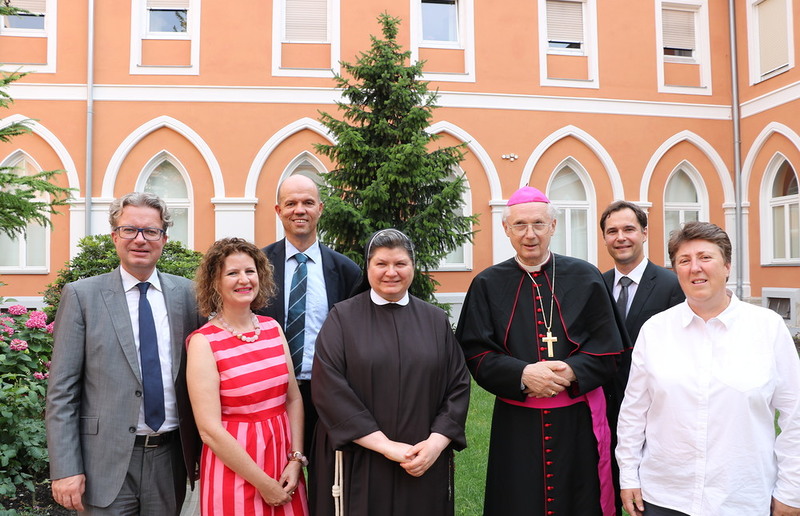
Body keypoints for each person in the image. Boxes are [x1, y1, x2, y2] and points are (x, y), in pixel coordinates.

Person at [456, 186, 625, 516]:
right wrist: (522, 374)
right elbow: (474, 353)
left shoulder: (585, 277)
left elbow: (610, 349)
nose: (529, 234)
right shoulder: (487, 284)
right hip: (517, 423)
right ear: (506, 229)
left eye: (538, 224)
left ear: (553, 227)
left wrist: (572, 371)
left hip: (576, 422)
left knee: (580, 500)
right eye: (519, 225)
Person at [616, 221, 800, 516]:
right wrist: (628, 475)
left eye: (705, 257)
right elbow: (634, 412)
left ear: (727, 265)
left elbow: (795, 416)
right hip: (666, 497)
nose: (695, 268)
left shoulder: (768, 328)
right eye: (684, 261)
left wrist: (792, 491)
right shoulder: (656, 330)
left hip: (741, 498)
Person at [46, 192, 204, 514]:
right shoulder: (82, 296)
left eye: (151, 231)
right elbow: (62, 391)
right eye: (130, 229)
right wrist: (65, 468)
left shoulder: (189, 295)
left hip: (170, 458)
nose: (140, 239)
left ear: (164, 238)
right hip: (103, 461)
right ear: (114, 236)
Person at [309, 228, 470, 515]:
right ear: (367, 267)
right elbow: (328, 388)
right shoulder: (342, 318)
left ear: (413, 267)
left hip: (422, 458)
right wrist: (385, 446)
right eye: (381, 264)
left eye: (400, 264)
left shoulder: (434, 320)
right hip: (360, 457)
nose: (391, 272)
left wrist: (435, 444)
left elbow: (457, 386)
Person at [187, 237, 309, 515]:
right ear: (215, 282)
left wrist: (296, 459)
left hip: (283, 464)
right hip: (235, 469)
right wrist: (263, 483)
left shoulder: (272, 328)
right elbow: (209, 431)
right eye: (232, 273)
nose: (244, 280)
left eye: (249, 271)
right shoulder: (204, 342)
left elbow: (293, 399)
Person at [257, 174, 361, 461]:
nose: (299, 210)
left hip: (326, 391)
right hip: (271, 391)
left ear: (320, 209)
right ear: (278, 211)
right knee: (274, 470)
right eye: (290, 203)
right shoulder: (257, 267)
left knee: (326, 476)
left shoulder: (346, 270)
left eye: (307, 202)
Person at [600, 200, 684, 514]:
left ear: (645, 233)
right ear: (605, 238)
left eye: (628, 229)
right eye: (612, 231)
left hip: (655, 415)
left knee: (648, 500)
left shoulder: (672, 285)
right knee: (607, 492)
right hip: (604, 411)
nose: (620, 237)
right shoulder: (597, 284)